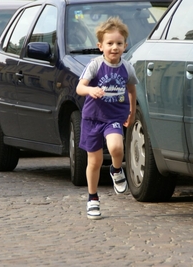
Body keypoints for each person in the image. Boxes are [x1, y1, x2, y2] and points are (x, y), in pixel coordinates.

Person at [76, 17, 138, 220]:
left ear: (125, 46)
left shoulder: (127, 68)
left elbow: (131, 90)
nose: (114, 47)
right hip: (93, 118)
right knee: (93, 161)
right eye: (109, 44)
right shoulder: (95, 65)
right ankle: (93, 198)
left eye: (119, 44)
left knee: (116, 148)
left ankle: (116, 170)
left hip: (114, 117)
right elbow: (80, 87)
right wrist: (90, 89)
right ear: (100, 46)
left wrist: (132, 111)